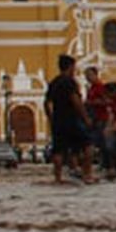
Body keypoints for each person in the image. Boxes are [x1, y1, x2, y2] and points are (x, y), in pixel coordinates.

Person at [44, 54, 94, 185]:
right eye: (74, 67)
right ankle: (88, 174)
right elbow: (76, 101)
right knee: (88, 145)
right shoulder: (70, 82)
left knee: (58, 150)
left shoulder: (54, 82)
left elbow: (47, 103)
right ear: (70, 67)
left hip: (58, 121)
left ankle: (57, 177)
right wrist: (86, 117)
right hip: (72, 120)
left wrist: (51, 119)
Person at [84, 65, 110, 176]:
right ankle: (104, 164)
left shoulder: (100, 87)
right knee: (98, 143)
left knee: (101, 142)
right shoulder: (91, 88)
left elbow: (107, 101)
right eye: (86, 75)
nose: (87, 77)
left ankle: (108, 165)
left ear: (95, 75)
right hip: (94, 118)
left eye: (89, 75)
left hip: (101, 118)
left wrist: (92, 103)